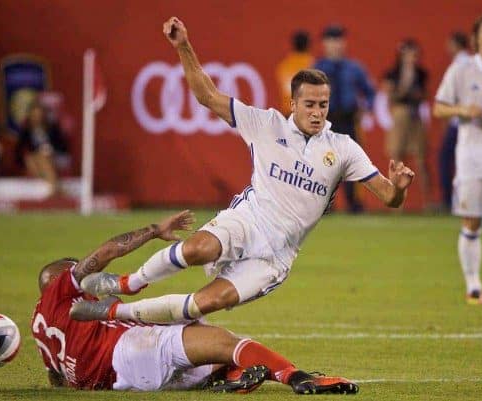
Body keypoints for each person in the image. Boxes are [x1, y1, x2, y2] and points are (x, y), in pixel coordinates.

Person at [77, 17, 414, 327]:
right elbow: (207, 95)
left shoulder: (343, 147)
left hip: (278, 254)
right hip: (248, 220)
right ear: (292, 104)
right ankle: (128, 283)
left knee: (205, 303)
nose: (316, 111)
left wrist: (398, 188)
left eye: (322, 104)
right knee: (197, 249)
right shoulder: (266, 124)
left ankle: (111, 312)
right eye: (309, 104)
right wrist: (182, 46)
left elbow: (389, 197)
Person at [32, 210, 358, 394]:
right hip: (128, 352)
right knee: (222, 341)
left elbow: (57, 377)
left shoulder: (39, 323)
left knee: (188, 327)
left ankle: (226, 378)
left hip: (118, 379)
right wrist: (154, 230)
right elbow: (107, 251)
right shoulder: (62, 286)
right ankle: (296, 377)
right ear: (60, 277)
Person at [433, 8, 482, 305]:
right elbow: (439, 107)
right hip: (473, 157)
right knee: (472, 222)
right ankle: (473, 285)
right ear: (476, 39)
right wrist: (463, 111)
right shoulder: (462, 70)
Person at [314, 25, 376, 213]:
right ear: (325, 44)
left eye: (339, 40)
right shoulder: (318, 68)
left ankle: (354, 203)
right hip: (326, 120)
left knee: (351, 161)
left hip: (348, 120)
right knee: (323, 162)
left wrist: (367, 108)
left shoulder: (354, 68)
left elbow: (369, 91)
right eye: (332, 40)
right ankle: (325, 203)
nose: (336, 45)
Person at [382, 39, 431, 208]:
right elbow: (391, 96)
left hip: (415, 116)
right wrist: (405, 83)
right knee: (396, 160)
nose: (412, 58)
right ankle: (395, 203)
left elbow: (425, 95)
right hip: (400, 114)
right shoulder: (393, 73)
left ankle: (427, 203)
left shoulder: (421, 73)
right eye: (409, 54)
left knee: (421, 160)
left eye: (415, 54)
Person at [438, 32, 470, 210]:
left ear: (455, 44)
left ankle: (450, 201)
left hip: (459, 122)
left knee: (446, 160)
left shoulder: (460, 64)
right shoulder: (471, 63)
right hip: (465, 122)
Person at [17, 102, 68, 196]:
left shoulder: (52, 127)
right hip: (35, 158)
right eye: (34, 114)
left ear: (43, 115)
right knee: (33, 159)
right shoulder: (27, 130)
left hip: (56, 156)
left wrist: (51, 148)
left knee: (41, 157)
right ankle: (56, 187)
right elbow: (19, 149)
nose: (37, 117)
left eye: (39, 114)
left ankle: (55, 187)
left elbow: (63, 146)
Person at [275, 30, 313, 115]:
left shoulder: (283, 66)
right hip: (306, 114)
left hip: (288, 113)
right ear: (308, 45)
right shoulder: (313, 65)